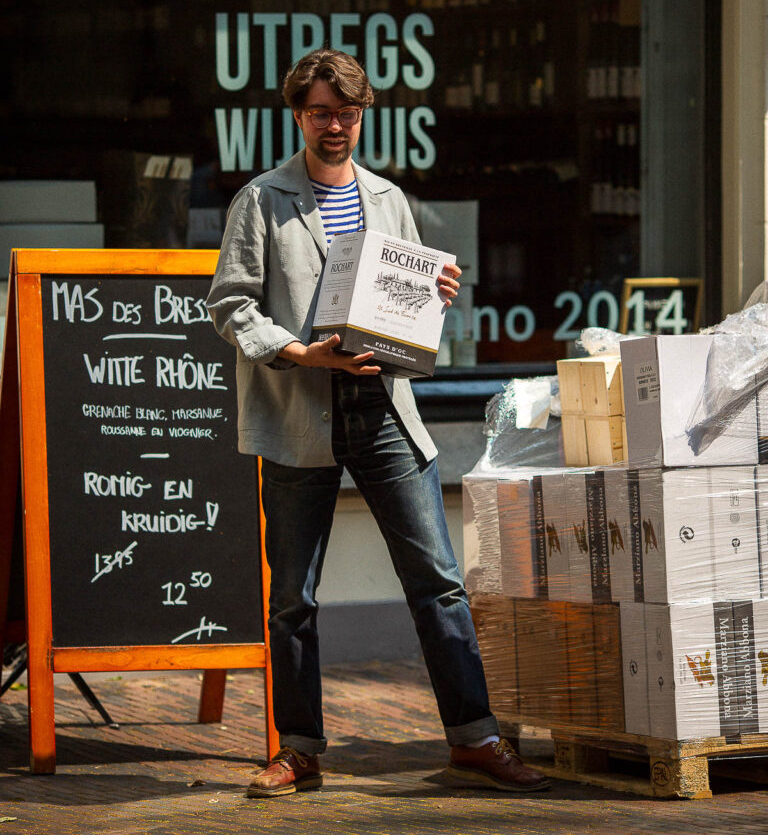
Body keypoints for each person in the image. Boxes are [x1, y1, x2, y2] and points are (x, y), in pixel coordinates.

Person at [206, 48, 549, 799]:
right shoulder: (261, 200)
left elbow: (401, 304)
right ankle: (297, 751)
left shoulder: (389, 199)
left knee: (439, 582)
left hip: (386, 409)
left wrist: (437, 292)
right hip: (301, 411)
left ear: (364, 114)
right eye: (323, 112)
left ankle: (475, 739)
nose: (337, 126)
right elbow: (231, 306)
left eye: (349, 112)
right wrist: (301, 351)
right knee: (292, 595)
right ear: (298, 115)